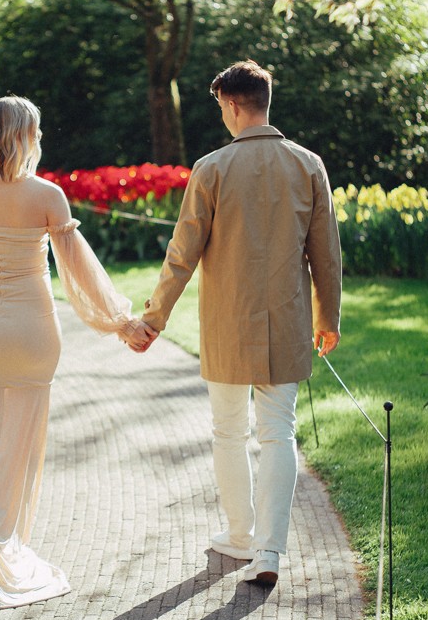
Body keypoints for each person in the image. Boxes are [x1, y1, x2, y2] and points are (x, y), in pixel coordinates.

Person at [0, 96, 151, 610]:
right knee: (21, 446)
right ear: (28, 136)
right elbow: (79, 274)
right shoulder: (49, 196)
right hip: (34, 334)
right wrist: (121, 322)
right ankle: (3, 544)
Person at [138, 60, 342, 592]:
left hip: (227, 323)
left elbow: (181, 256)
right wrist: (328, 318)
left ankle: (240, 534)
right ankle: (270, 550)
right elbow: (327, 254)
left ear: (231, 104)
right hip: (288, 322)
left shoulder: (211, 168)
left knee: (229, 431)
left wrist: (153, 319)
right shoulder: (308, 165)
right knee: (279, 433)